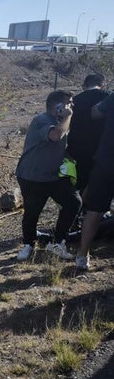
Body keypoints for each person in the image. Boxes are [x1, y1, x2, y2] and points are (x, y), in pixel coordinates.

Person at [15, 90, 81, 260]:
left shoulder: (60, 121)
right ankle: (28, 244)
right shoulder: (42, 120)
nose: (72, 106)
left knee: (73, 201)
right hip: (32, 176)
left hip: (52, 176)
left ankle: (58, 242)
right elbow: (55, 136)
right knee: (32, 213)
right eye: (69, 103)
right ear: (58, 106)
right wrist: (68, 116)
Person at [75, 92, 114, 270]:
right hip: (105, 161)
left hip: (105, 162)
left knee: (94, 211)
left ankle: (82, 256)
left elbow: (95, 113)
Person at [67, 74, 109, 193]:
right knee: (97, 188)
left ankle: (77, 207)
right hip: (100, 150)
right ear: (102, 85)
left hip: (76, 149)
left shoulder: (74, 100)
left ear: (84, 86)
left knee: (77, 184)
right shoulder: (108, 98)